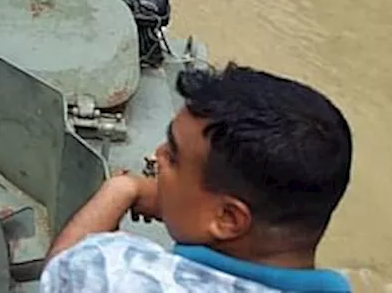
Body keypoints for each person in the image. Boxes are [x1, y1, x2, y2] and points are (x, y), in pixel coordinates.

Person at [42, 63, 353, 293]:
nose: (157, 157)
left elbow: (62, 270)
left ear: (228, 218)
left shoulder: (119, 274)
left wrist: (123, 188)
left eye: (173, 157)